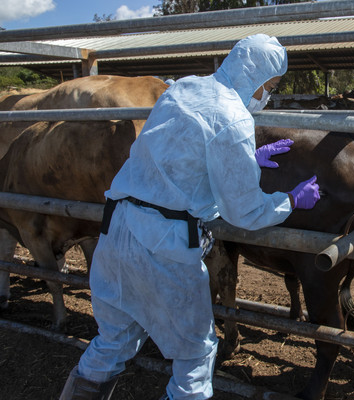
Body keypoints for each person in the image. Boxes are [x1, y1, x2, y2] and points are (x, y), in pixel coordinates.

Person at [59, 34, 320, 400]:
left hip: (117, 230)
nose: (268, 95)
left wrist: (246, 159)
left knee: (113, 340)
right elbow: (243, 211)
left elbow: (179, 155)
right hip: (163, 246)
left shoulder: (184, 89)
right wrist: (291, 200)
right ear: (256, 77)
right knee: (196, 357)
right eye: (270, 86)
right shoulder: (233, 118)